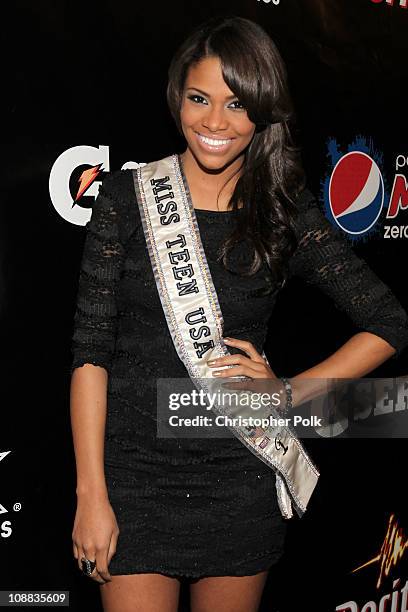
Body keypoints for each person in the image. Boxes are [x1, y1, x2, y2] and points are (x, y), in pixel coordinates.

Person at [69, 15, 408, 612]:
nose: (215, 123)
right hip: (132, 481)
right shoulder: (126, 200)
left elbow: (389, 322)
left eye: (237, 104)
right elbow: (91, 353)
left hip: (239, 478)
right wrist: (90, 493)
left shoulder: (283, 211)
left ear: (262, 113)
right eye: (200, 99)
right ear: (179, 97)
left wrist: (289, 395)